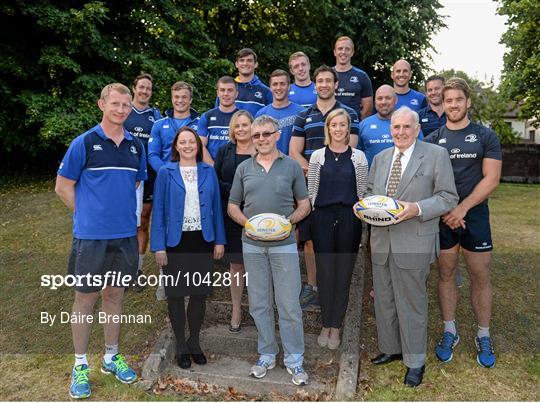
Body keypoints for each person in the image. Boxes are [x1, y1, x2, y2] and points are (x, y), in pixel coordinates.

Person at [55, 83, 147, 399]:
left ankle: (111, 356)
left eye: (126, 105)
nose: (121, 110)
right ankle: (80, 364)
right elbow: (63, 186)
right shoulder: (84, 143)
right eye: (116, 104)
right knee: (86, 299)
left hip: (124, 237)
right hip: (91, 238)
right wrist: (88, 215)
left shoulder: (136, 146)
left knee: (114, 297)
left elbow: (134, 184)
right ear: (102, 104)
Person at [368, 106, 458, 387]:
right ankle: (391, 348)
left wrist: (417, 208)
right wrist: (367, 204)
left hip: (414, 240)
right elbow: (370, 192)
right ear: (390, 129)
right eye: (396, 127)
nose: (400, 132)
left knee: (412, 303)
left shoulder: (435, 155)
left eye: (407, 127)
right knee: (385, 299)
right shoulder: (381, 158)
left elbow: (447, 197)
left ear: (417, 129)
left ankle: (415, 361)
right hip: (382, 241)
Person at [228, 115, 311, 386]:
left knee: (288, 304)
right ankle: (266, 354)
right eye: (256, 135)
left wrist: (287, 222)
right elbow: (232, 206)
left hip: (284, 245)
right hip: (252, 244)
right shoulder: (244, 168)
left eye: (266, 134)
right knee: (260, 303)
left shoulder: (291, 167)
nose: (261, 139)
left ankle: (294, 359)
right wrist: (248, 223)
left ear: (277, 135)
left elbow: (305, 204)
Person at [425, 77, 502, 369]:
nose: (453, 105)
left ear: (468, 101)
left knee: (480, 275)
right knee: (446, 274)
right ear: (442, 105)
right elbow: (426, 180)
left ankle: (483, 334)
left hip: (475, 215)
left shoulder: (485, 136)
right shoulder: (433, 139)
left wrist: (463, 208)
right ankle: (450, 331)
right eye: (448, 101)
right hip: (443, 218)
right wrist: (446, 209)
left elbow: (491, 178)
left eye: (458, 99)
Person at [151, 127, 226, 370]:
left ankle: (194, 342)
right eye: (182, 142)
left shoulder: (208, 171)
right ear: (175, 146)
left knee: (199, 293)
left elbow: (216, 207)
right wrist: (158, 247)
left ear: (198, 145)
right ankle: (181, 344)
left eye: (191, 142)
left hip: (202, 240)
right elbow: (159, 212)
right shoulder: (165, 172)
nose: (187, 146)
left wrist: (219, 240)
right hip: (175, 242)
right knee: (175, 294)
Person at [290, 65, 360, 309]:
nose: (323, 85)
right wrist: (315, 168)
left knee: (337, 242)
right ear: (315, 84)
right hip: (309, 187)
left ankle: (335, 288)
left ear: (336, 84)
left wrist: (327, 170)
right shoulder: (304, 114)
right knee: (309, 239)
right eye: (319, 81)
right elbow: (294, 151)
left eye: (328, 80)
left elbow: (351, 151)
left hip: (340, 189)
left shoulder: (348, 113)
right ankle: (313, 286)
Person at [307, 108, 368, 350]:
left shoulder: (359, 157)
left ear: (348, 127)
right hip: (322, 217)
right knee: (325, 272)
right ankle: (325, 323)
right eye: (334, 125)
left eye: (343, 125)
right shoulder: (317, 156)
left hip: (349, 218)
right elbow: (312, 189)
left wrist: (359, 219)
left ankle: (336, 325)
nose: (339, 129)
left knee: (343, 272)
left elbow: (362, 190)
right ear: (328, 128)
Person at [148, 81, 199, 300]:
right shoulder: (159, 124)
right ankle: (165, 277)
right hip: (167, 182)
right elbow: (152, 154)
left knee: (191, 225)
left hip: (193, 182)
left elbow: (202, 152)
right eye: (176, 97)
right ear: (171, 98)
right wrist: (169, 173)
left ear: (190, 99)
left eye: (184, 97)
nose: (180, 101)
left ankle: (191, 279)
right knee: (166, 225)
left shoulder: (199, 122)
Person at [214, 110, 256, 333]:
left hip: (256, 215)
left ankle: (259, 309)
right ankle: (237, 309)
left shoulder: (261, 151)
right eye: (237, 125)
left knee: (258, 264)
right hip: (230, 214)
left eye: (245, 125)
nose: (241, 129)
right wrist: (235, 193)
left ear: (253, 126)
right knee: (237, 264)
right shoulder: (224, 151)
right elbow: (215, 180)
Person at [123, 73, 162, 291]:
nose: (145, 91)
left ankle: (136, 271)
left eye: (148, 88)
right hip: (125, 177)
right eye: (141, 87)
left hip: (148, 176)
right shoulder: (124, 112)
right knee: (124, 221)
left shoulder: (155, 116)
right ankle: (122, 269)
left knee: (143, 220)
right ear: (134, 88)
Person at [359, 85, 424, 167]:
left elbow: (421, 151)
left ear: (395, 100)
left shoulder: (410, 122)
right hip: (374, 178)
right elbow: (357, 156)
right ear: (374, 101)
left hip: (405, 176)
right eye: (379, 98)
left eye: (388, 98)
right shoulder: (363, 125)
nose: (383, 102)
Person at [256, 69, 305, 154]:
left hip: (293, 164)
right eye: (275, 84)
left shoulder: (301, 112)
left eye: (282, 84)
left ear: (289, 86)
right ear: (270, 87)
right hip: (268, 164)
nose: (278, 88)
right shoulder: (261, 114)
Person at [216, 48, 272, 116]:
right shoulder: (226, 90)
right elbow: (217, 114)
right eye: (242, 60)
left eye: (249, 60)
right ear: (236, 64)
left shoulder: (266, 91)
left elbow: (270, 118)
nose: (245, 63)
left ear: (256, 64)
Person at [198, 76, 239, 164]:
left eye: (230, 90)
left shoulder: (242, 117)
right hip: (211, 168)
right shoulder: (207, 116)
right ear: (217, 93)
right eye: (222, 90)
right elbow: (200, 146)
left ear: (236, 94)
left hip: (236, 168)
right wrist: (213, 167)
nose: (226, 94)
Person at [333, 36, 373, 119]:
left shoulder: (362, 76)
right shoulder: (327, 75)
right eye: (340, 49)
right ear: (335, 52)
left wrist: (356, 124)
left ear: (352, 52)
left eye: (347, 49)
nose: (343, 52)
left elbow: (367, 109)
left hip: (354, 127)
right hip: (330, 126)